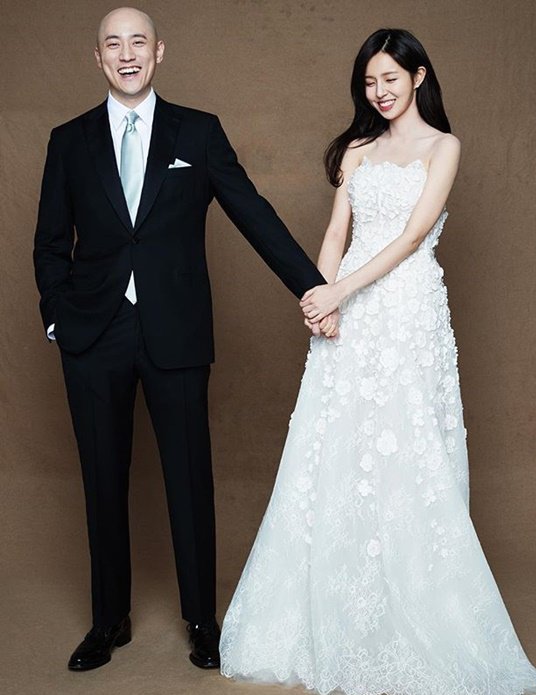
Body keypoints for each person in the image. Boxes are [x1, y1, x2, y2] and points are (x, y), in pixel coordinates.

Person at [219, 28, 536, 695]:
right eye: (369, 83)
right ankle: (340, 611)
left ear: (419, 76)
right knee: (337, 447)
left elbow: (413, 234)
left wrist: (340, 289)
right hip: (349, 311)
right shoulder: (357, 150)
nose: (379, 92)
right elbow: (336, 231)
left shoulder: (444, 147)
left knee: (408, 449)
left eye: (390, 79)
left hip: (407, 312)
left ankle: (415, 614)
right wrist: (319, 298)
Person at [33, 6, 335, 673]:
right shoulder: (69, 140)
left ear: (159, 51)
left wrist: (317, 290)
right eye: (114, 44)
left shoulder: (197, 131)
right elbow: (50, 241)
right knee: (102, 478)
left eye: (138, 41)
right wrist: (58, 317)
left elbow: (253, 213)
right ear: (98, 57)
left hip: (176, 331)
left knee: (189, 478)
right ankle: (108, 620)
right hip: (93, 335)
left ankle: (202, 619)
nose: (127, 54)